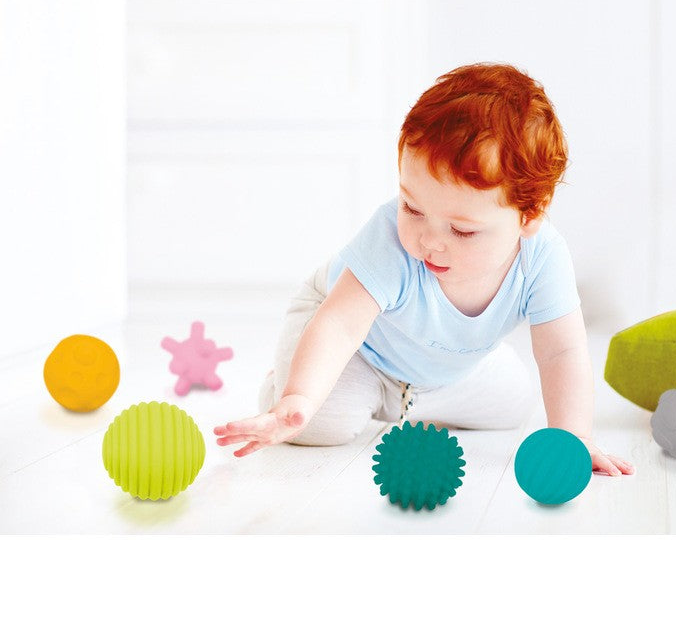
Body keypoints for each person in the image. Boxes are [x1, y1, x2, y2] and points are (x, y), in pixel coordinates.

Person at [214, 62, 634, 477]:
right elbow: (340, 325)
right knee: (320, 424)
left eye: (462, 230)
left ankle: (411, 397)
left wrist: (574, 437)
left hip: (438, 371)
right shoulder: (390, 240)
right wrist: (299, 397)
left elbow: (562, 351)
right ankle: (286, 382)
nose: (429, 241)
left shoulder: (543, 259)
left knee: (513, 405)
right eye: (412, 208)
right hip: (354, 346)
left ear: (530, 215)